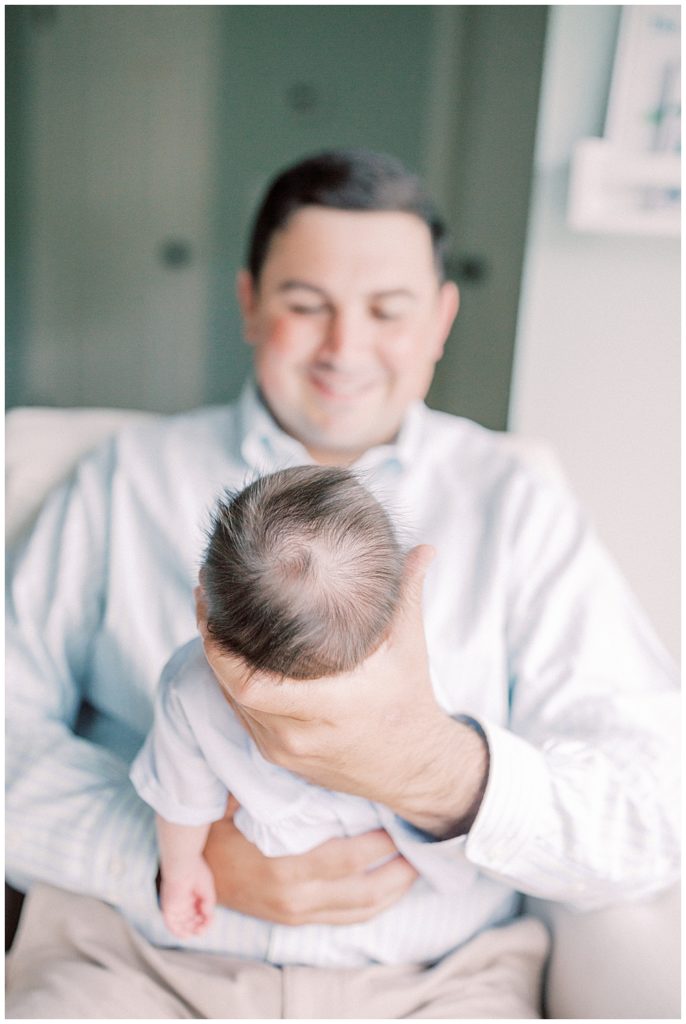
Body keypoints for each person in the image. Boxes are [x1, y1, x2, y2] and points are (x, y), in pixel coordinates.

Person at [5, 149, 679, 1019]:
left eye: (387, 311)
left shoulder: (517, 501)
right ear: (249, 303)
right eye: (305, 304)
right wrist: (178, 853)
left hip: (437, 985)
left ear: (440, 319)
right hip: (137, 966)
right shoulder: (125, 479)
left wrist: (444, 773)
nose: (344, 349)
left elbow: (654, 803)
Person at [131, 465, 408, 939]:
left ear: (205, 593)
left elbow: (182, 803)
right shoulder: (397, 671)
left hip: (272, 841)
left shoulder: (188, 686)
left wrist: (180, 874)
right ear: (388, 625)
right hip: (381, 848)